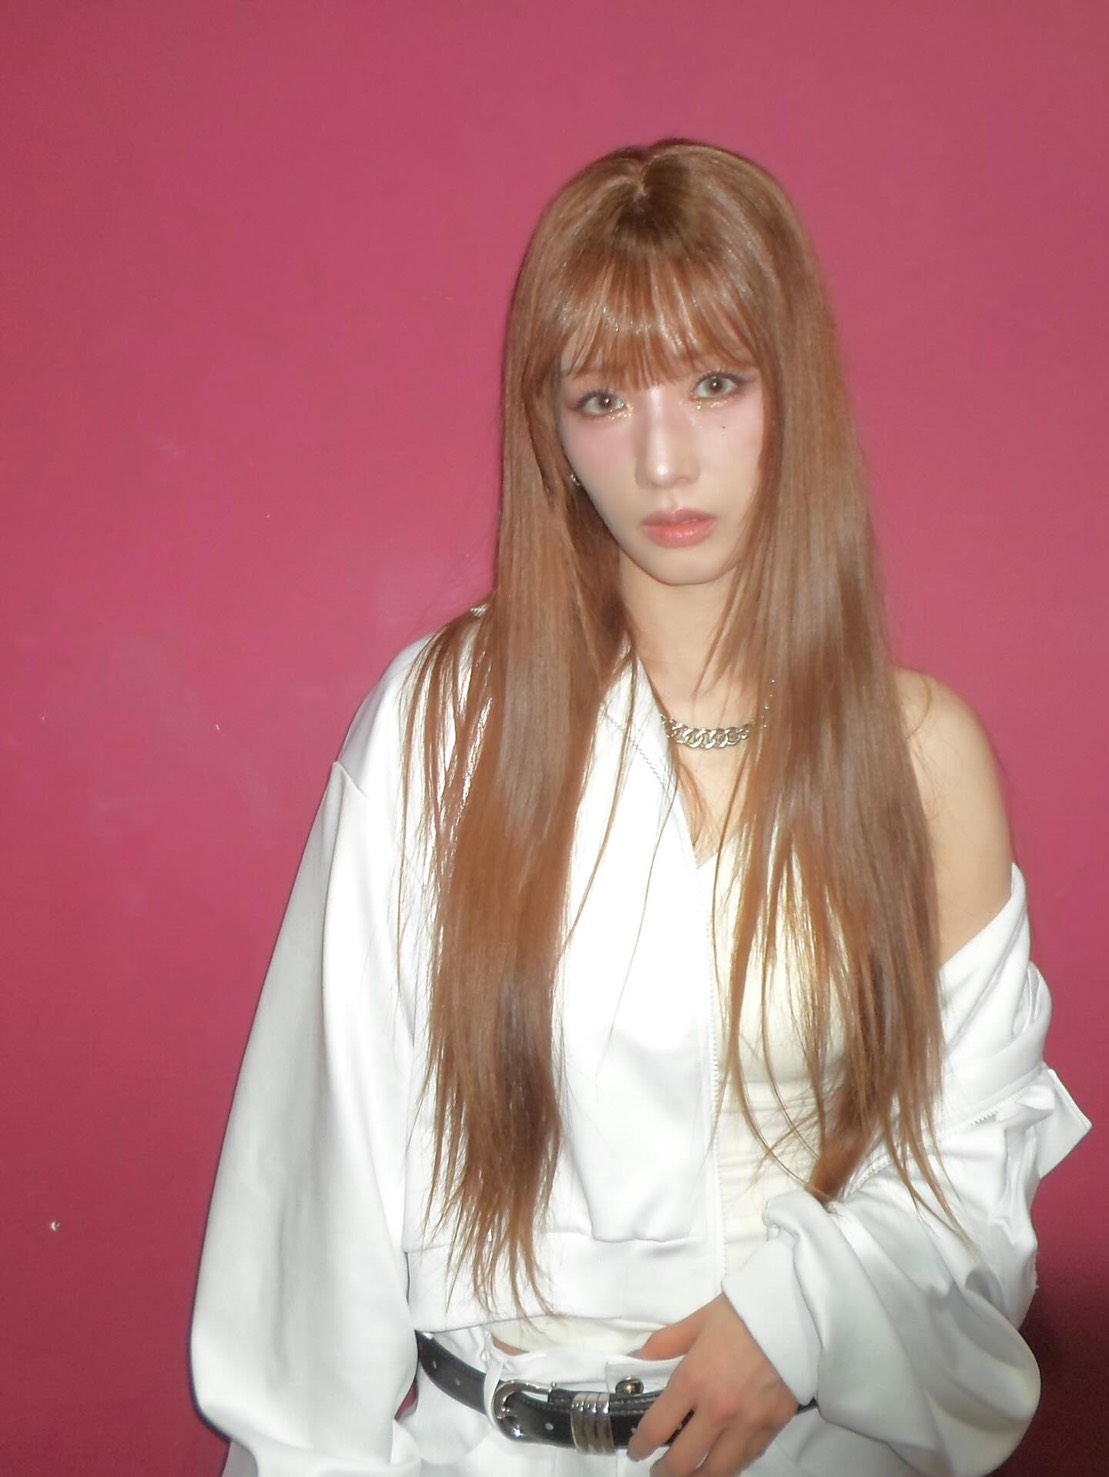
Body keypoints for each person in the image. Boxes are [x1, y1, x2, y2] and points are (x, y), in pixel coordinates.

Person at [191, 141, 1089, 1477]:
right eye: (604, 398)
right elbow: (318, 1170)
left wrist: (800, 1315)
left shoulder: (915, 756)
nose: (664, 461)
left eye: (715, 383)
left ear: (792, 394)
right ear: (551, 431)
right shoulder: (446, 729)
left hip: (822, 1446)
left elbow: (975, 1154)